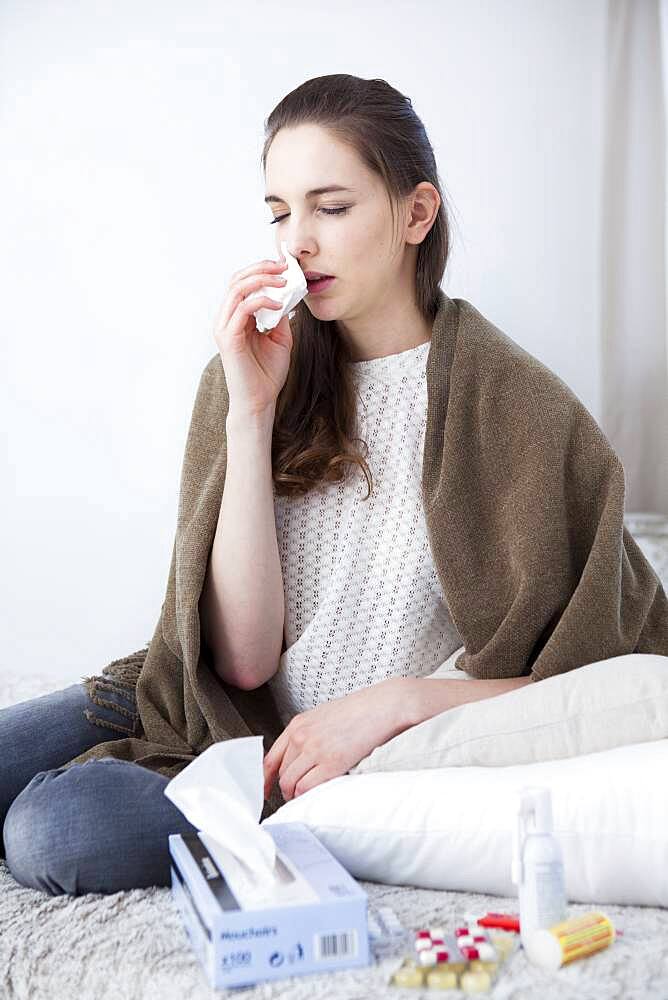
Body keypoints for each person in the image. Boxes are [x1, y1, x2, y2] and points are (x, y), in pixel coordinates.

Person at [3, 74, 665, 898]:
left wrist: (397, 702)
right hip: (196, 704)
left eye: (332, 207)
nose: (298, 243)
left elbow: (597, 671)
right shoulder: (249, 371)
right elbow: (241, 663)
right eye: (280, 212)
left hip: (292, 766)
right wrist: (250, 412)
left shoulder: (520, 406)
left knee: (53, 832)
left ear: (415, 215)